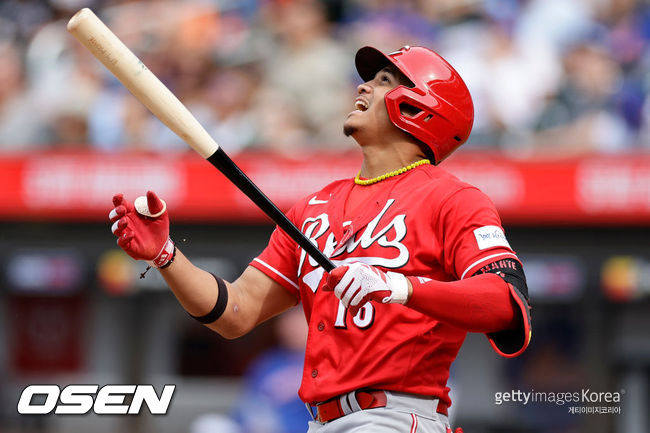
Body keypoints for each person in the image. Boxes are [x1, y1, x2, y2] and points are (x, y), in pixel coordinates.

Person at [109, 45, 532, 433]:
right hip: (320, 422)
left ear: (421, 108)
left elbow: (506, 302)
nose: (364, 85)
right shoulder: (314, 206)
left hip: (395, 418)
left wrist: (400, 287)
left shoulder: (454, 199)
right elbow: (235, 312)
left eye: (386, 80)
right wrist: (166, 256)